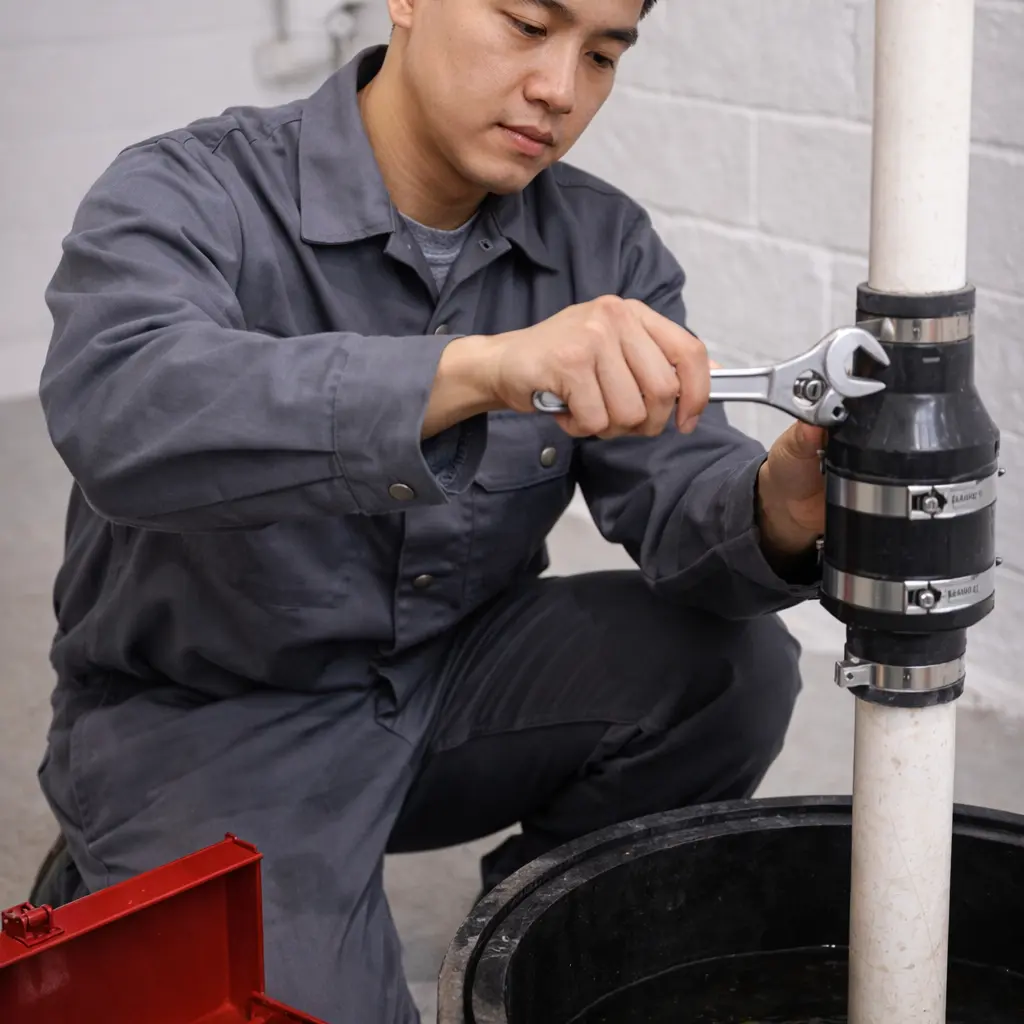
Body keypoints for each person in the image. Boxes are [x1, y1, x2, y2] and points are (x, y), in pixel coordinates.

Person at [29, 0, 826, 1020]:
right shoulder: (189, 190)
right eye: (526, 24)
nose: (560, 87)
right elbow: (121, 410)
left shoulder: (602, 242)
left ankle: (533, 924)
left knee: (733, 667)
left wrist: (783, 504)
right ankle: (116, 877)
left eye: (601, 53)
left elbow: (676, 496)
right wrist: (475, 371)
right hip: (211, 719)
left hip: (449, 681)